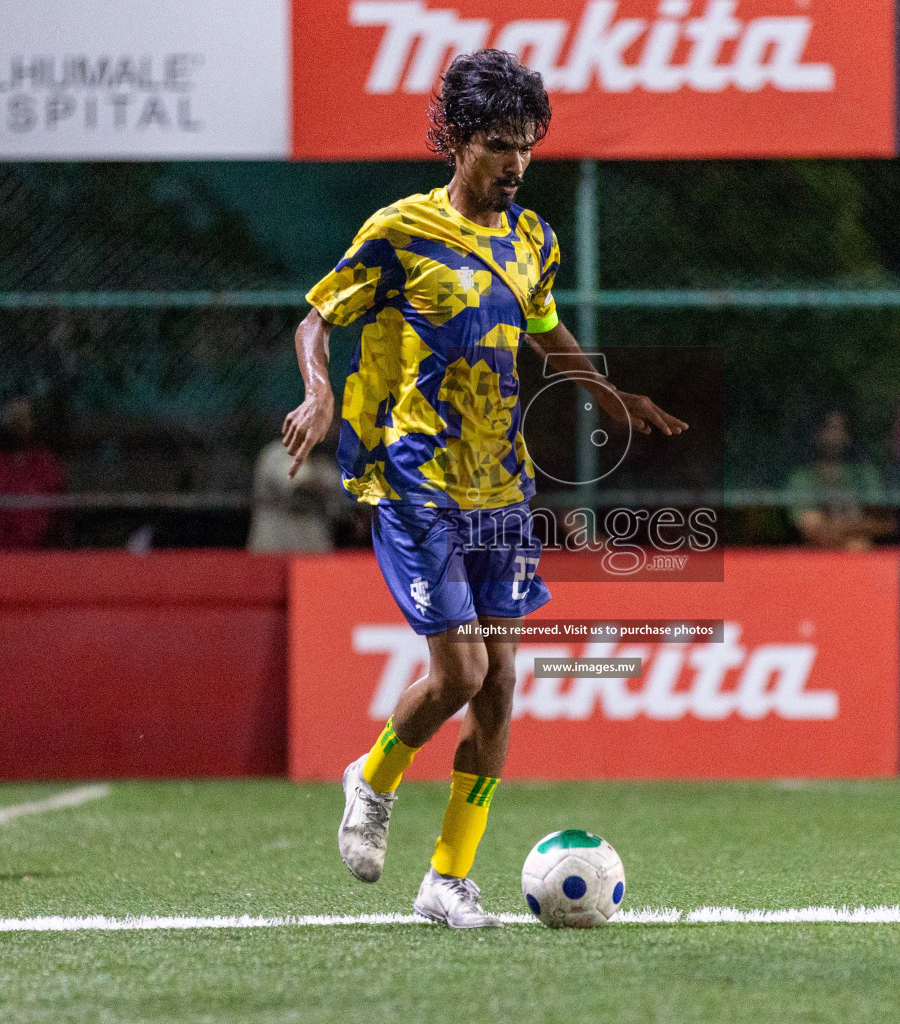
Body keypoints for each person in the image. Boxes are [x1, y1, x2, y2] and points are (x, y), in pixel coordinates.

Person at [281, 50, 687, 928]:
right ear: (459, 143)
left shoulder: (532, 239)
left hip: (501, 488)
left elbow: (544, 330)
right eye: (501, 145)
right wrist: (318, 393)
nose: (516, 163)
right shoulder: (400, 233)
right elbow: (318, 317)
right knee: (460, 669)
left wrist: (614, 396)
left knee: (500, 685)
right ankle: (375, 776)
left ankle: (446, 879)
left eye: (529, 146)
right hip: (417, 479)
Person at [0, 396, 67, 550]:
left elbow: (60, 517)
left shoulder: (45, 461)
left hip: (39, 557)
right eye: (13, 418)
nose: (18, 424)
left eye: (24, 418)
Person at [786, 410, 893, 549]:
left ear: (848, 436)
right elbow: (812, 529)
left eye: (841, 429)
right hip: (819, 562)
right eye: (830, 428)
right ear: (817, 433)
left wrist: (836, 529)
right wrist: (860, 529)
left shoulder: (865, 474)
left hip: (866, 560)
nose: (835, 435)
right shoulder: (802, 479)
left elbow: (886, 523)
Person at [247, 438, 352, 554]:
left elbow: (341, 488)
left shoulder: (321, 461)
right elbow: (300, 485)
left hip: (311, 534)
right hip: (276, 535)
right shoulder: (278, 452)